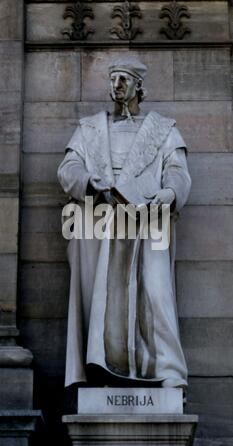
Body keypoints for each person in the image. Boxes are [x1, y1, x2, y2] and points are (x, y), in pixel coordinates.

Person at [57, 58, 191, 389]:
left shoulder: (164, 130)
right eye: (113, 78)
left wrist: (169, 193)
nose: (116, 84)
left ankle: (166, 370)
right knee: (103, 299)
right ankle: (104, 369)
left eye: (124, 79)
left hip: (146, 222)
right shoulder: (89, 128)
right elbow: (68, 168)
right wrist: (90, 183)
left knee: (156, 290)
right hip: (100, 222)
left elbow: (178, 171)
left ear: (138, 87)